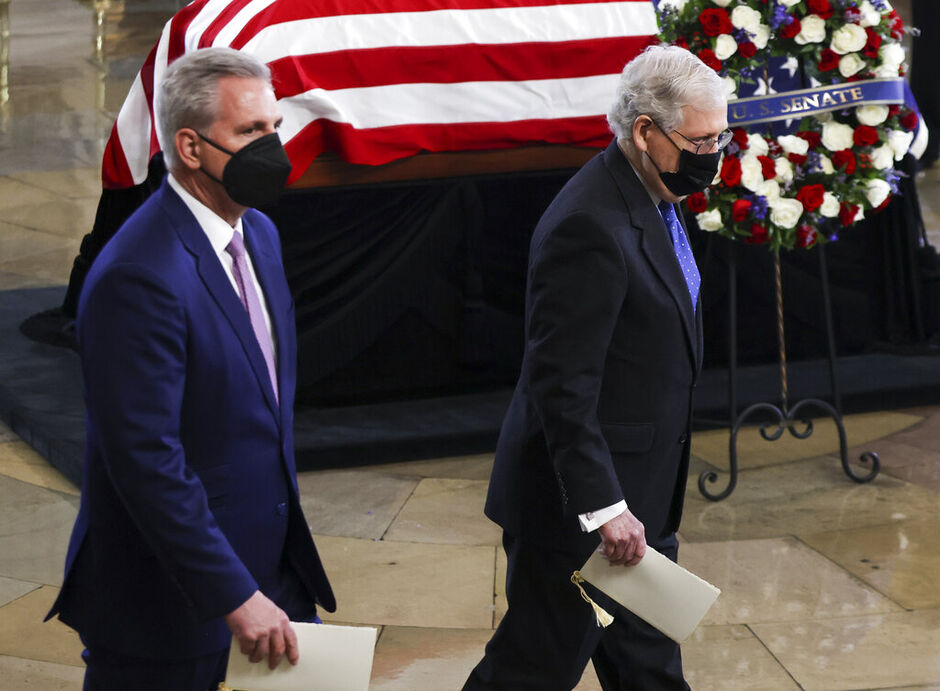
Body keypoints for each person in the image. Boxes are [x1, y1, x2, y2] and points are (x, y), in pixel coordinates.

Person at [45, 47, 335, 690]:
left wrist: (268, 584)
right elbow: (145, 459)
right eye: (250, 132)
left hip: (272, 578)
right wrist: (234, 593)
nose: (273, 148)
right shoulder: (138, 275)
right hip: (170, 606)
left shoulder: (259, 235)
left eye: (275, 127)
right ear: (191, 147)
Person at [464, 45, 728, 690]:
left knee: (650, 671)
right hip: (581, 516)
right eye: (700, 142)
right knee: (530, 672)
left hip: (642, 504)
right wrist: (604, 508)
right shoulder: (589, 226)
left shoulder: (655, 192)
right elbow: (561, 386)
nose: (714, 156)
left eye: (722, 136)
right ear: (645, 132)